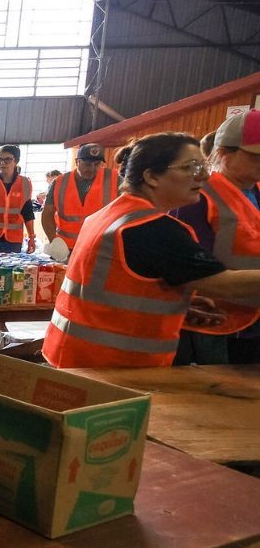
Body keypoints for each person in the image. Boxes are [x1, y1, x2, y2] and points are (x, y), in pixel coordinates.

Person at [43, 132, 260, 369]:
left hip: (78, 358)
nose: (205, 176)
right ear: (152, 177)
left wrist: (175, 304)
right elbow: (224, 284)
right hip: (113, 368)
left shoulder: (109, 215)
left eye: (204, 166)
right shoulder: (153, 229)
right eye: (191, 167)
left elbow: (114, 288)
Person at [173, 110, 260, 363]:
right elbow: (190, 269)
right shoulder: (196, 197)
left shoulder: (255, 192)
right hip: (216, 325)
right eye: (256, 156)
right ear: (223, 152)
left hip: (252, 323)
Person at [41, 144, 120, 251]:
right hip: (66, 248)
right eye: (87, 164)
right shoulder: (60, 182)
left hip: (100, 248)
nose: (92, 169)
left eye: (97, 164)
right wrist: (54, 241)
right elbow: (47, 214)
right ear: (77, 162)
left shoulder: (115, 180)